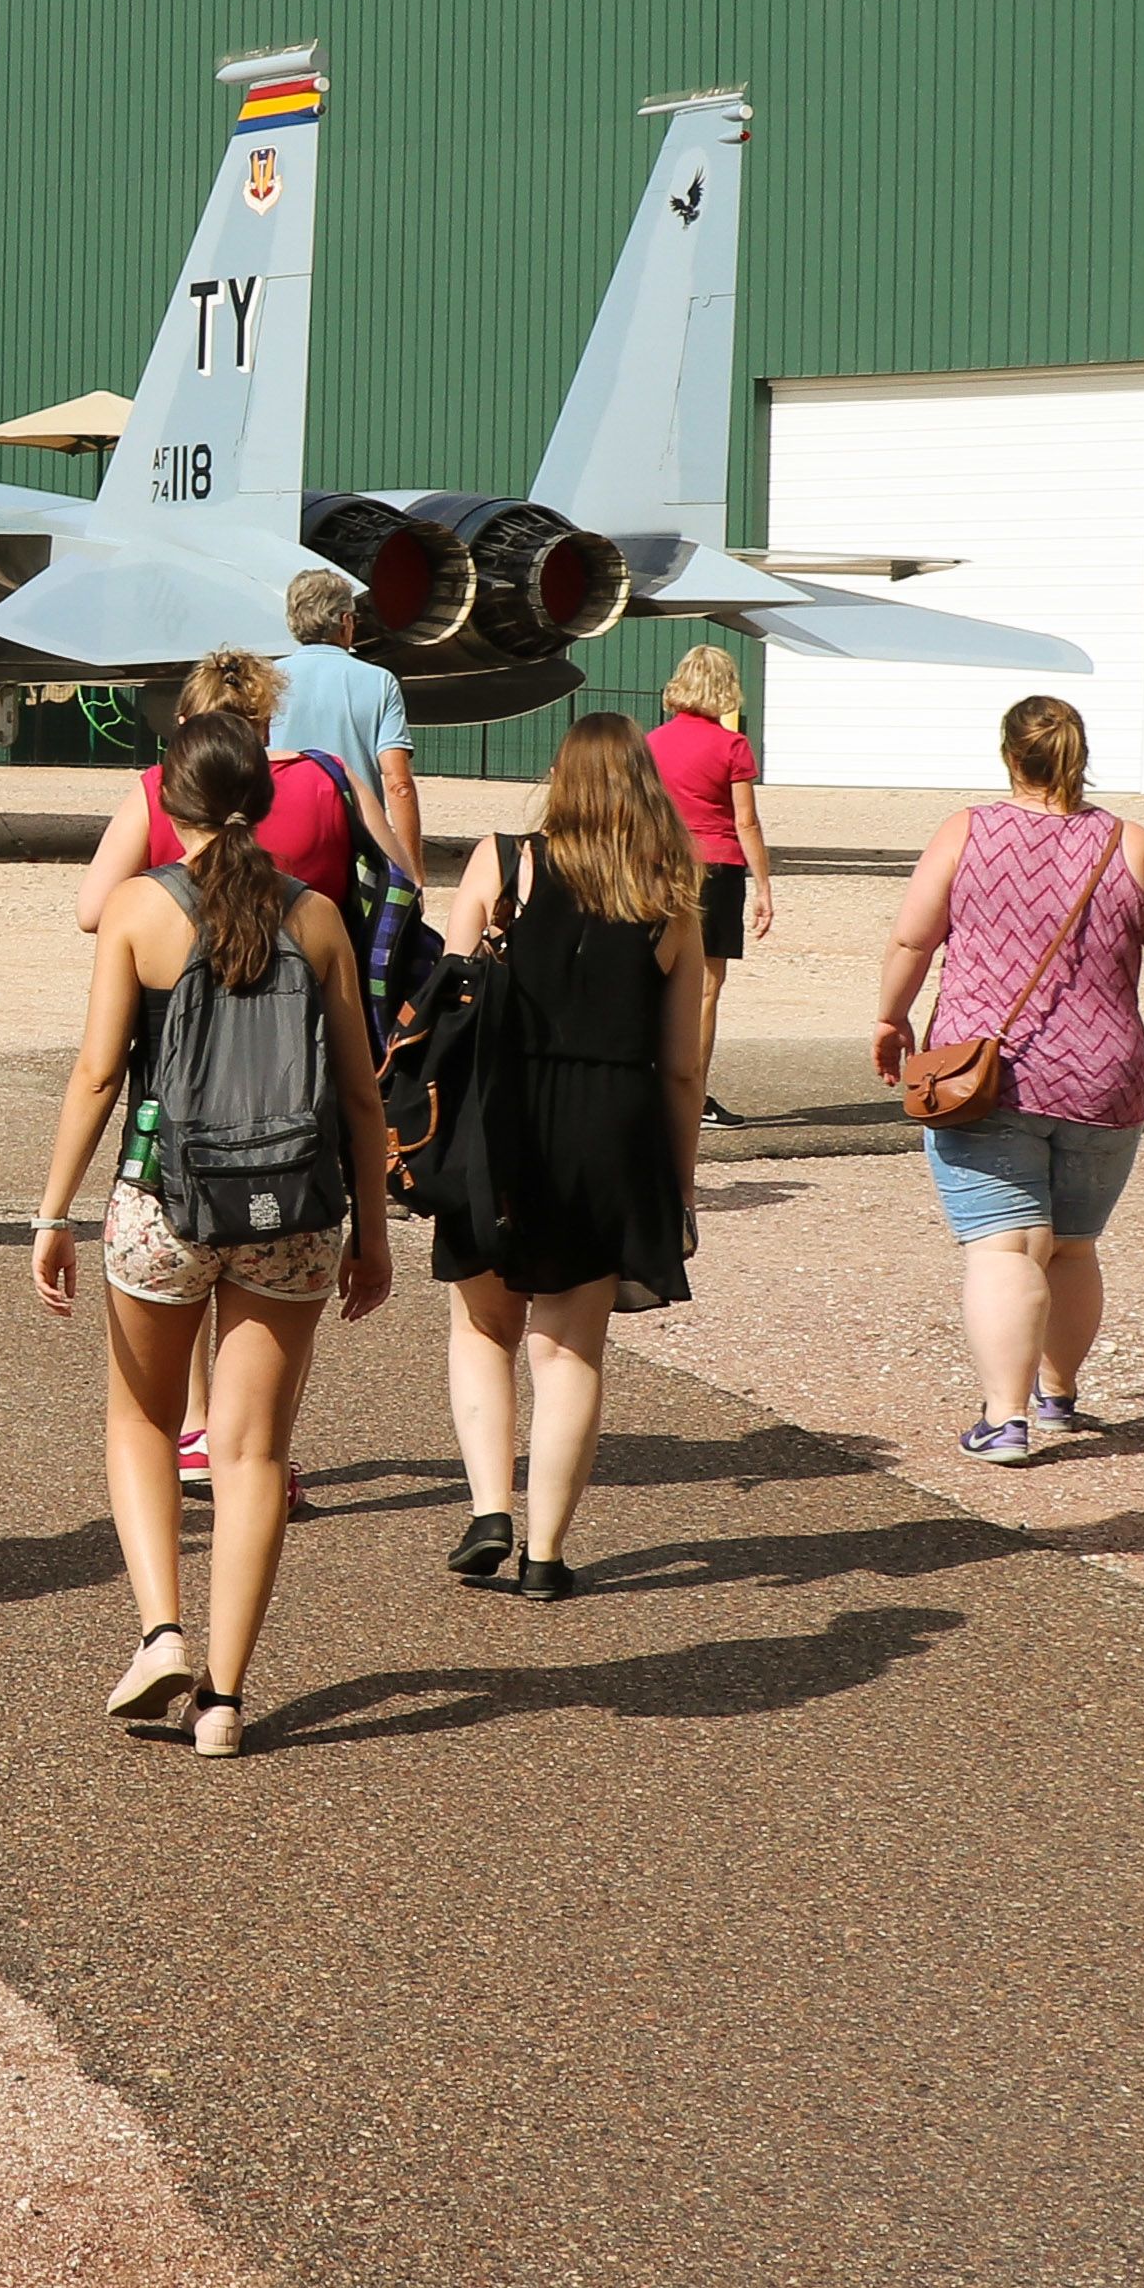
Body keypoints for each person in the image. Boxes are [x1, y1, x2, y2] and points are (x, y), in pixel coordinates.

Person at [28, 710, 397, 1760]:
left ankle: (161, 1631)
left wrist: (54, 1212)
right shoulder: (319, 916)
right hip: (294, 1213)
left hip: (163, 1206)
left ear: (168, 802)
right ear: (264, 803)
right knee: (253, 1453)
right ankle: (226, 1701)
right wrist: (372, 1232)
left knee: (144, 1421)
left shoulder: (141, 912)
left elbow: (100, 1074)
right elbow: (362, 1100)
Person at [866, 696, 1144, 1465]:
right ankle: (1056, 1396)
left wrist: (890, 1016)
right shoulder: (1131, 844)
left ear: (1008, 755)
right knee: (1070, 1246)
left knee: (1005, 1249)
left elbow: (912, 934)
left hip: (983, 1077)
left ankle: (1004, 1418)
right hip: (1103, 1079)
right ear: (1077, 755)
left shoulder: (965, 830)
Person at [427, 714, 712, 1592]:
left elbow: (447, 994)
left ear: (558, 778)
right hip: (610, 1124)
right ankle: (545, 1555)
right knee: (569, 1350)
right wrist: (679, 1179)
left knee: (482, 1325)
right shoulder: (669, 890)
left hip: (498, 1120)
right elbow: (680, 1064)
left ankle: (488, 1509)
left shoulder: (502, 859)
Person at [71, 650, 365, 1493]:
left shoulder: (154, 797)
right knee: (267, 1277)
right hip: (291, 1089)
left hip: (179, 1087)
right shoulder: (321, 784)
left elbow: (92, 909)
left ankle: (196, 1430)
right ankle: (250, 1447)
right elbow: (386, 879)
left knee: (180, 1241)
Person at [74, 648, 360, 931]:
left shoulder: (159, 788)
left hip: (183, 966)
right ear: (265, 728)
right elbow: (397, 881)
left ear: (183, 726)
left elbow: (93, 912)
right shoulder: (330, 776)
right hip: (307, 963)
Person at [271, 567, 428, 875]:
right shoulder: (380, 682)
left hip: (281, 845)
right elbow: (399, 785)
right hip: (355, 850)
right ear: (345, 622)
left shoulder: (267, 680)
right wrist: (412, 871)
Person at [649, 644, 775, 983]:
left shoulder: (651, 742)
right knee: (707, 978)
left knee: (659, 968)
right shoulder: (733, 746)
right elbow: (745, 822)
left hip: (662, 862)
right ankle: (698, 1040)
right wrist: (763, 887)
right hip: (717, 865)